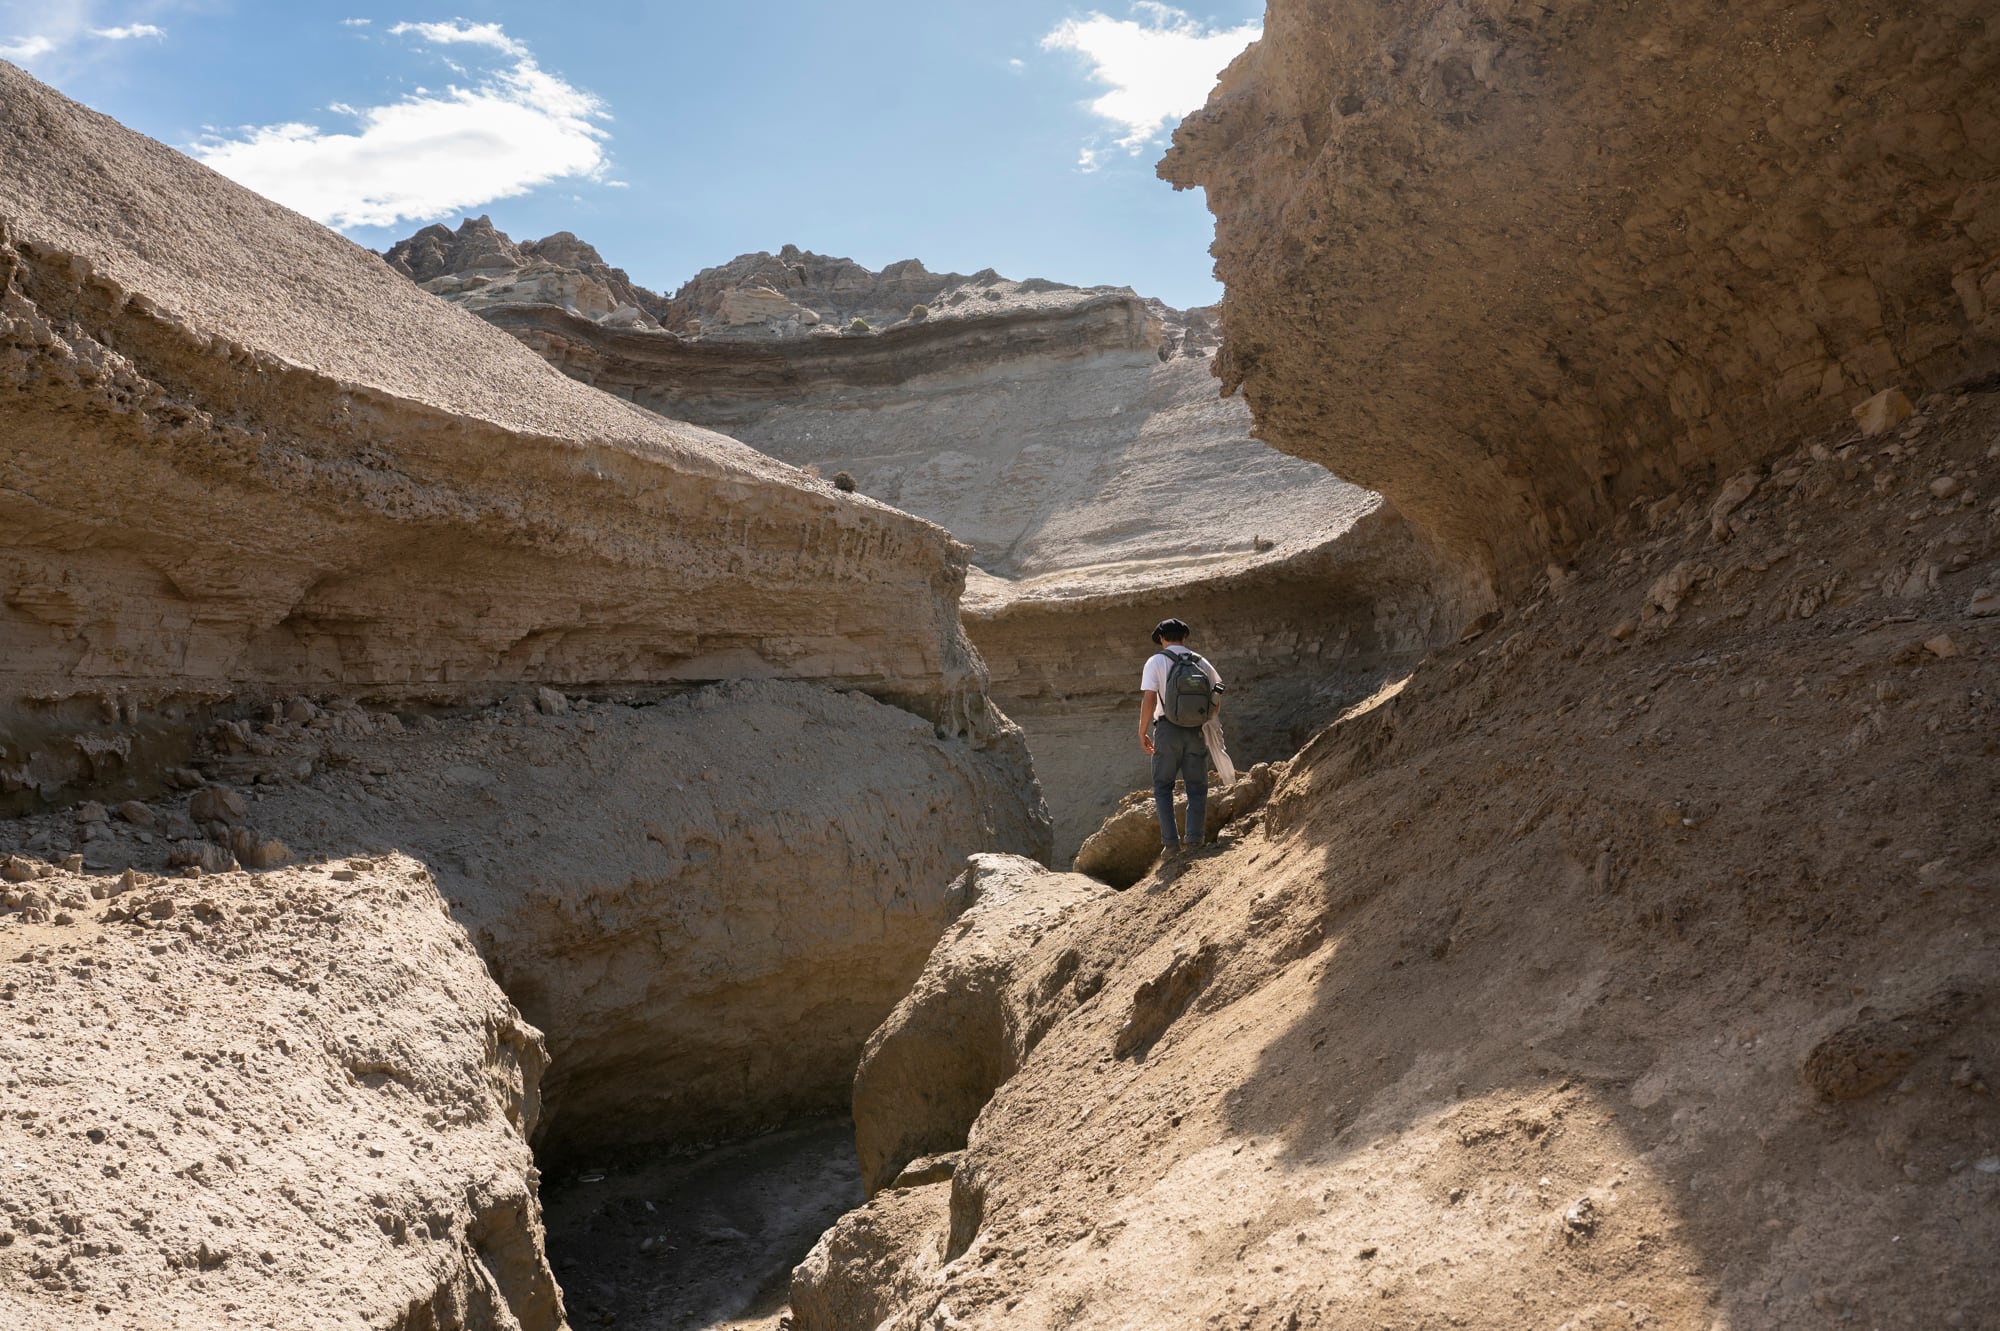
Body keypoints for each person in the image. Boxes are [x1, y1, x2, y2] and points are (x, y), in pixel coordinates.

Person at [1138, 618, 1222, 860]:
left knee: (1163, 786)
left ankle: (1171, 845)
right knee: (1197, 787)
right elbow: (1218, 694)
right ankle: (1195, 842)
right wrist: (1207, 722)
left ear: (1163, 639)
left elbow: (1149, 699)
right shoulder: (1201, 662)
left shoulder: (1156, 661)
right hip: (1196, 730)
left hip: (1167, 730)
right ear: (1184, 637)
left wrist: (1142, 731)